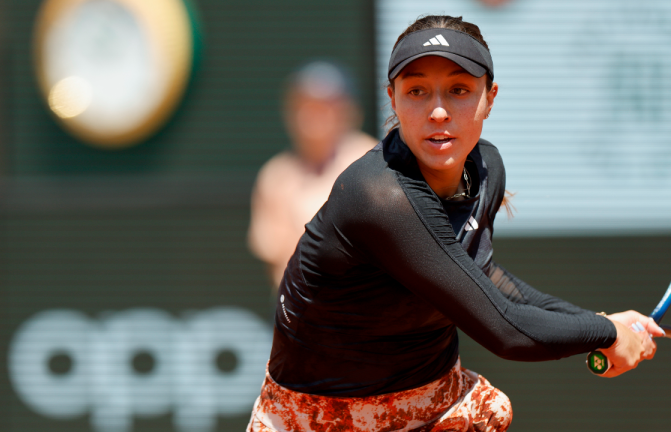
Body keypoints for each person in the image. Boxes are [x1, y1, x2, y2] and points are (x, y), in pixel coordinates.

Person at [247, 15, 664, 432]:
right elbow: (506, 331)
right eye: (416, 91)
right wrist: (603, 332)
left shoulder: (487, 168)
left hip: (438, 401)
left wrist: (600, 321)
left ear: (490, 97)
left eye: (460, 90)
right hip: (316, 420)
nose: (439, 111)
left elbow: (483, 277)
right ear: (392, 99)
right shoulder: (379, 196)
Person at [248, 61, 377, 291]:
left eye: (324, 106)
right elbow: (278, 262)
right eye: (303, 105)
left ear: (347, 111)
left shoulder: (375, 163)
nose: (311, 117)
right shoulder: (275, 177)